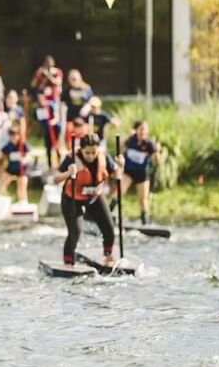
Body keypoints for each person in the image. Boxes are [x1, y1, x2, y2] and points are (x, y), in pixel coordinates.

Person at [54, 133, 124, 266]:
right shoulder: (72, 158)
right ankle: (68, 262)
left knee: (109, 228)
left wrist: (121, 165)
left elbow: (115, 174)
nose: (91, 156)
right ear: (81, 150)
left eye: (93, 152)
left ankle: (107, 257)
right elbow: (55, 178)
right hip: (72, 198)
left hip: (94, 197)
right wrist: (69, 173)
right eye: (87, 153)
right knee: (76, 231)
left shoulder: (103, 156)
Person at [110, 120, 160, 225]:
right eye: (141, 129)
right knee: (118, 193)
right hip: (128, 172)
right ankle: (108, 214)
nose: (143, 132)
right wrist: (128, 135)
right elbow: (117, 143)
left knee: (143, 199)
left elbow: (156, 160)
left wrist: (157, 151)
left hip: (142, 174)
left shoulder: (149, 144)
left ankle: (145, 223)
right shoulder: (131, 140)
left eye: (145, 129)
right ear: (136, 130)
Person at [0, 124, 31, 203]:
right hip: (11, 168)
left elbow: (28, 155)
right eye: (12, 135)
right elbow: (0, 155)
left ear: (18, 135)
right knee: (2, 182)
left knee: (21, 186)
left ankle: (23, 202)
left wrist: (24, 159)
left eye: (16, 135)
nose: (14, 137)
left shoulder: (23, 144)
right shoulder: (8, 145)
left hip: (21, 170)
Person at [61, 69, 93, 149]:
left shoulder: (86, 88)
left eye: (75, 79)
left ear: (80, 78)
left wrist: (87, 107)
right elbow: (62, 103)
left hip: (83, 120)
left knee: (84, 140)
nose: (73, 81)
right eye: (71, 79)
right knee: (70, 140)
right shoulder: (66, 90)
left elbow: (92, 101)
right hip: (71, 120)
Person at [35, 93, 61, 169]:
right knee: (48, 147)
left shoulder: (51, 105)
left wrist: (52, 122)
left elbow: (56, 117)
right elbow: (38, 119)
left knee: (56, 146)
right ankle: (50, 165)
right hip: (46, 130)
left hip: (55, 129)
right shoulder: (38, 109)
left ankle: (59, 163)